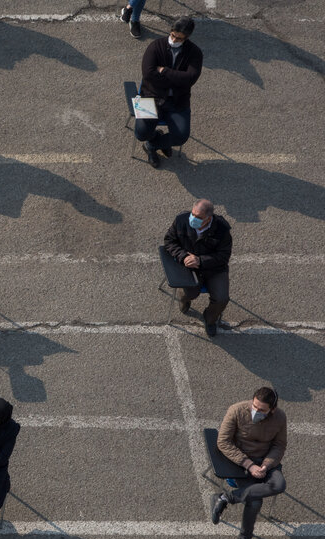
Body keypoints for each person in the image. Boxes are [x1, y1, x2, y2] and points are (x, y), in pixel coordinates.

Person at [211, 387, 287, 539]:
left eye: (261, 410)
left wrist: (266, 465)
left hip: (265, 462)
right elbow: (223, 442)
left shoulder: (280, 417)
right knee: (255, 502)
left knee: (280, 484)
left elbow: (279, 445)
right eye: (254, 407)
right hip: (241, 462)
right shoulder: (236, 410)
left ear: (272, 409)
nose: (256, 412)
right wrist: (249, 465)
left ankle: (226, 497)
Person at [135, 17, 202, 168]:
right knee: (140, 133)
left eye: (179, 38)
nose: (174, 39)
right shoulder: (155, 46)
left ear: (187, 37)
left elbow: (191, 78)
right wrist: (177, 79)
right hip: (150, 96)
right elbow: (148, 74)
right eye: (172, 35)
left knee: (181, 137)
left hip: (178, 100)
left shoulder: (195, 53)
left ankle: (152, 146)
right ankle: (155, 139)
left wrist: (164, 71)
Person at [163, 198, 231, 337]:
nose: (193, 219)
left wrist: (200, 260)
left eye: (198, 217)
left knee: (221, 298)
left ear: (208, 218)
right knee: (190, 293)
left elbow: (223, 256)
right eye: (193, 214)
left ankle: (210, 319)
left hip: (214, 268)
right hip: (188, 266)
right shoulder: (181, 220)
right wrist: (183, 256)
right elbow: (169, 241)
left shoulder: (222, 230)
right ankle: (184, 299)